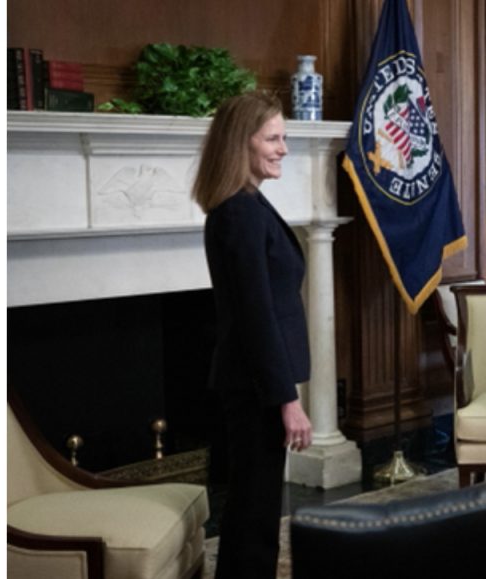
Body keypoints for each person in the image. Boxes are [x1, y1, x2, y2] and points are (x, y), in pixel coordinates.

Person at [192, 91, 313, 579]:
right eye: (273, 138)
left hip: (256, 383)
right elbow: (255, 315)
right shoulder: (239, 212)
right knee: (253, 515)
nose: (283, 148)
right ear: (241, 143)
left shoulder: (246, 204)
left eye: (283, 137)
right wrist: (287, 399)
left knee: (256, 510)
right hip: (256, 387)